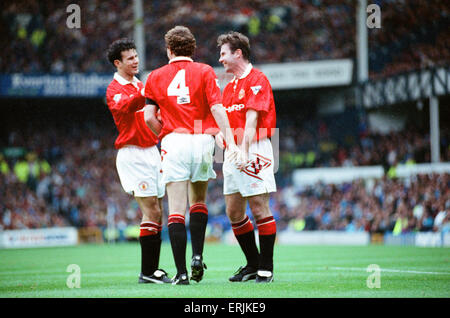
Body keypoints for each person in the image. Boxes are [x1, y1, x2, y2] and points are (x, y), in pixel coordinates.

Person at [144, 26, 238, 285]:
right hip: (202, 140)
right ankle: (197, 255)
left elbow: (148, 116)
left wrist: (165, 133)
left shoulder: (155, 76)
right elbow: (217, 108)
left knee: (176, 210)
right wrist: (228, 138)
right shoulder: (206, 71)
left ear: (169, 50)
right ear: (192, 49)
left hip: (174, 140)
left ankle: (182, 273)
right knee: (199, 201)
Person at [105, 38, 171, 284]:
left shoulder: (138, 84)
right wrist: (147, 89)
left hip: (152, 151)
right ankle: (147, 272)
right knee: (151, 210)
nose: (135, 61)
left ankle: (153, 269)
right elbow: (127, 106)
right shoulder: (114, 89)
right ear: (118, 63)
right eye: (130, 58)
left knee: (158, 212)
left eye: (136, 56)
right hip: (133, 154)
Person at [216, 31, 277, 283]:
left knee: (259, 207)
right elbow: (223, 125)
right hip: (233, 152)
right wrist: (221, 140)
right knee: (233, 211)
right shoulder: (228, 87)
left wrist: (242, 148)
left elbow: (252, 120)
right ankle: (252, 264)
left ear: (237, 53)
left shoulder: (257, 79)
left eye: (223, 54)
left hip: (254, 148)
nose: (220, 59)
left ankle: (266, 266)